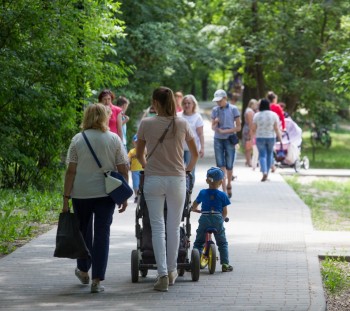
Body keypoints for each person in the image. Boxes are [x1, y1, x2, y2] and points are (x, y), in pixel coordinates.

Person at [136, 86, 199, 292]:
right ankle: (172, 271)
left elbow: (139, 154)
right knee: (173, 226)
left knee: (157, 227)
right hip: (177, 180)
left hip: (154, 179)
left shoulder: (146, 123)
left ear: (155, 103)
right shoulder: (182, 123)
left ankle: (162, 274)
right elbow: (195, 153)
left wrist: (148, 166)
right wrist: (187, 171)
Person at [62, 103, 129, 293]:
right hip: (106, 194)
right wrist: (123, 195)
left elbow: (71, 171)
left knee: (83, 232)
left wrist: (65, 198)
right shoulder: (114, 139)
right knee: (102, 235)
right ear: (104, 117)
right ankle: (97, 280)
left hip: (81, 194)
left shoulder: (77, 139)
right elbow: (123, 167)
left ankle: (83, 270)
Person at [191, 167, 233, 272]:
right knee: (222, 243)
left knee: (198, 242)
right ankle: (225, 264)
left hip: (204, 218)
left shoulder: (202, 193)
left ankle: (195, 262)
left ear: (207, 181)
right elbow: (225, 212)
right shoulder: (223, 195)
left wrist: (194, 209)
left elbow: (194, 204)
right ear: (221, 182)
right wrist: (222, 220)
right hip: (217, 219)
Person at [211, 89, 241, 198]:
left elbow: (238, 127)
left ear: (225, 98)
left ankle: (229, 184)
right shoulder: (215, 110)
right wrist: (215, 122)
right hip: (218, 139)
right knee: (220, 164)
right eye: (217, 101)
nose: (218, 103)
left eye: (220, 100)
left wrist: (226, 131)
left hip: (229, 138)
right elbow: (212, 127)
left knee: (229, 164)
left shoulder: (234, 109)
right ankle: (223, 190)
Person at [252, 99, 282, 182]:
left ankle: (264, 172)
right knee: (269, 155)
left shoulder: (257, 115)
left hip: (260, 137)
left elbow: (253, 129)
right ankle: (267, 173)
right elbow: (276, 128)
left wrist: (252, 138)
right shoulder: (274, 115)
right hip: (271, 137)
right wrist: (280, 138)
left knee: (262, 155)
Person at [177, 94, 204, 185]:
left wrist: (202, 148)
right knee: (178, 171)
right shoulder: (178, 116)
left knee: (190, 171)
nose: (187, 105)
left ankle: (189, 191)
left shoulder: (197, 117)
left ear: (193, 104)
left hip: (191, 148)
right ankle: (180, 190)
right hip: (179, 148)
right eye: (184, 103)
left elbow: (200, 134)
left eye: (189, 103)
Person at [242, 99, 258, 167]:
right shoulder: (250, 112)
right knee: (249, 146)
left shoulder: (248, 110)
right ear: (252, 104)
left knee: (247, 146)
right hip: (249, 130)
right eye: (255, 105)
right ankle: (249, 162)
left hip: (246, 129)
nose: (256, 106)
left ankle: (247, 160)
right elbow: (251, 123)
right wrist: (252, 133)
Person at [128, 134, 143, 203]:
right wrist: (128, 164)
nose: (137, 144)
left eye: (139, 143)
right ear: (133, 143)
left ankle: (142, 196)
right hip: (134, 170)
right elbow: (128, 159)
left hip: (143, 169)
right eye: (136, 142)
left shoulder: (144, 150)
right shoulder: (131, 151)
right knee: (135, 184)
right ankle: (137, 196)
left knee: (143, 183)